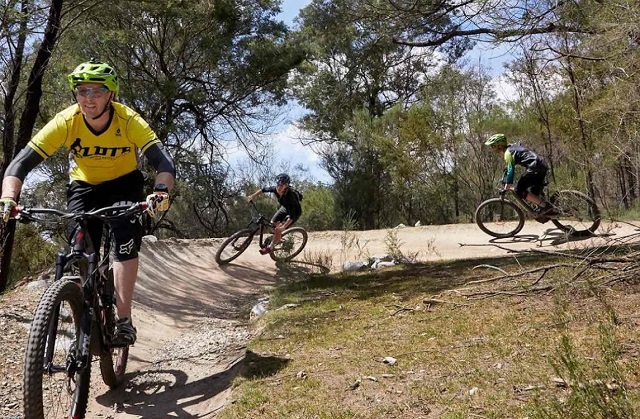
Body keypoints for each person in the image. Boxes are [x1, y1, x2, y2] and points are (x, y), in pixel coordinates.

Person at [0, 59, 175, 347]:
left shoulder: (128, 120)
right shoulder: (66, 121)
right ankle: (88, 296)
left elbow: (164, 162)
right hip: (84, 187)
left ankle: (123, 319)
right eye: (82, 91)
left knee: (124, 240)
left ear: (111, 95)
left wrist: (160, 191)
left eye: (97, 91)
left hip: (124, 184)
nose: (88, 98)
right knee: (79, 247)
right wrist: (9, 197)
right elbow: (19, 164)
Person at [484, 133, 556, 216]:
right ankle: (547, 211)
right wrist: (507, 169)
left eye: (493, 146)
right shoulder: (512, 146)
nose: (492, 148)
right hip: (541, 164)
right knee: (534, 191)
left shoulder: (507, 153)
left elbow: (511, 169)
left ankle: (545, 207)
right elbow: (515, 159)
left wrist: (508, 183)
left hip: (534, 167)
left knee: (519, 191)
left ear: (499, 145)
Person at [247, 173, 302, 255]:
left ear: (286, 186)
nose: (279, 187)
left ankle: (271, 247)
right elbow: (263, 190)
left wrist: (283, 227)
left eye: (282, 185)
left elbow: (292, 216)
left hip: (294, 212)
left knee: (278, 229)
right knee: (273, 222)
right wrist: (253, 196)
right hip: (284, 208)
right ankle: (278, 239)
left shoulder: (290, 196)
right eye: (278, 184)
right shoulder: (275, 189)